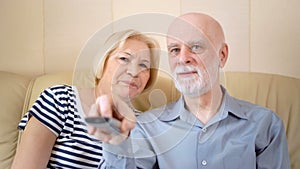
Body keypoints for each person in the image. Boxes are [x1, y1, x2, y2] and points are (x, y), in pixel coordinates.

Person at [91, 13, 290, 169]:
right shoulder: (146, 127)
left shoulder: (266, 125)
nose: (183, 58)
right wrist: (116, 143)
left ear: (222, 55)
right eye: (175, 50)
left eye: (195, 47)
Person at [11, 29, 160, 169]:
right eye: (124, 59)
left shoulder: (144, 128)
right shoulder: (60, 99)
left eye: (143, 65)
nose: (134, 71)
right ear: (103, 62)